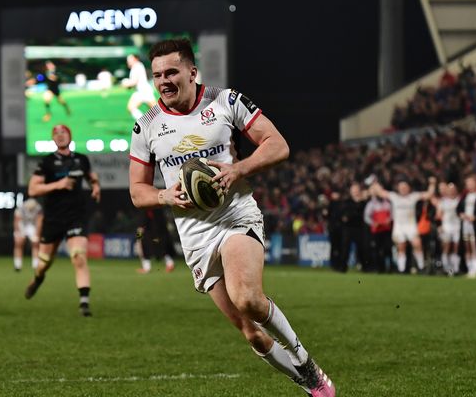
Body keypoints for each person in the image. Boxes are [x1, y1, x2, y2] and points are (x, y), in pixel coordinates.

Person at [128, 38, 335, 396]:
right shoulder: (145, 126)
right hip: (195, 236)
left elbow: (277, 144)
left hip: (235, 216)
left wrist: (238, 170)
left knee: (248, 299)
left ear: (192, 72)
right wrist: (164, 195)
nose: (164, 80)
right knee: (252, 334)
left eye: (172, 72)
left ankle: (306, 363)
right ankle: (306, 383)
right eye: (158, 74)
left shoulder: (226, 101)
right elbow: (137, 191)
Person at [23, 124, 101, 317]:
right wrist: (58, 184)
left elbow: (91, 176)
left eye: (63, 132)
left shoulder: (81, 159)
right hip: (53, 218)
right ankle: (38, 278)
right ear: (53, 139)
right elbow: (32, 190)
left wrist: (96, 185)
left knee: (78, 256)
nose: (60, 135)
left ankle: (84, 302)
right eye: (56, 133)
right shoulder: (47, 163)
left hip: (76, 216)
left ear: (70, 136)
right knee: (44, 263)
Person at [371, 177, 437, 274]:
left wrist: (432, 184)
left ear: (409, 188)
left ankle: (421, 266)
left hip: (411, 225)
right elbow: (381, 192)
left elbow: (428, 194)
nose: (403, 189)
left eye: (405, 187)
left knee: (417, 244)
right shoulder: (394, 196)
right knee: (401, 247)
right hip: (399, 226)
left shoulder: (413, 196)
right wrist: (375, 183)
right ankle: (401, 269)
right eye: (401, 187)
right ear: (398, 188)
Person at [135, 207, 176, 274]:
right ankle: (170, 263)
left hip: (150, 234)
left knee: (144, 248)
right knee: (161, 249)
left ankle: (146, 268)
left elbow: (140, 226)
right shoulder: (157, 207)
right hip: (160, 233)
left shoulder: (144, 208)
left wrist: (138, 238)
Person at [121, 54, 156, 120]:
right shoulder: (136, 67)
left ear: (135, 59)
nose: (128, 61)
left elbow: (134, 81)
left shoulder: (137, 66)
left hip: (144, 91)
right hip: (141, 91)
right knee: (131, 108)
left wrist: (126, 83)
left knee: (156, 113)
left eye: (129, 60)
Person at [13, 198, 43, 272]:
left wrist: (37, 234)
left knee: (36, 244)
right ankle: (17, 265)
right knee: (18, 243)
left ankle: (35, 264)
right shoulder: (20, 208)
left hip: (33, 226)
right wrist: (18, 232)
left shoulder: (38, 208)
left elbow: (39, 222)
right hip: (22, 225)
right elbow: (17, 221)